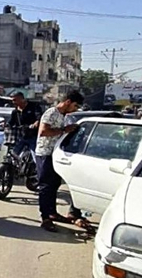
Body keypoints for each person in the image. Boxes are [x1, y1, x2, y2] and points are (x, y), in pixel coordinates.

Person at [35, 91, 85, 232]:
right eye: (75, 105)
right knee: (45, 187)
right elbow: (43, 131)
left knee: (54, 185)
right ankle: (45, 218)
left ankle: (52, 213)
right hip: (45, 154)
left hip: (56, 155)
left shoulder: (64, 116)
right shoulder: (52, 113)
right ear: (68, 102)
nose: (75, 109)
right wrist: (64, 130)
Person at [7, 92, 40, 160]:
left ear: (21, 99)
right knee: (13, 154)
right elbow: (11, 123)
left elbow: (39, 118)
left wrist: (35, 124)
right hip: (21, 136)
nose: (13, 102)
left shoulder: (34, 107)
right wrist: (5, 125)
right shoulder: (15, 112)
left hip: (33, 136)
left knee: (35, 158)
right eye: (12, 100)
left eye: (15, 100)